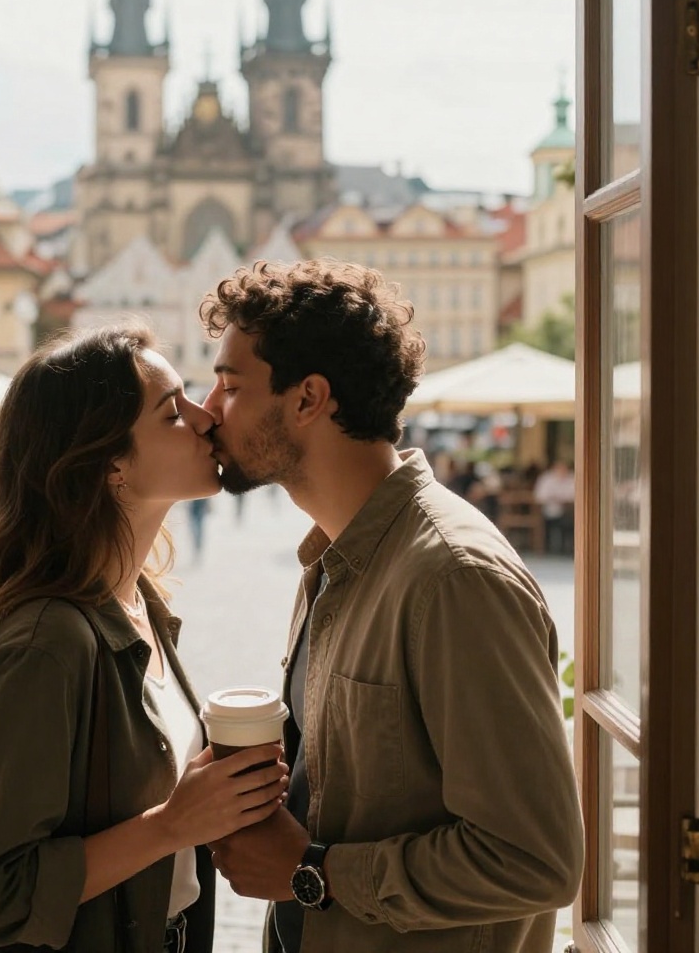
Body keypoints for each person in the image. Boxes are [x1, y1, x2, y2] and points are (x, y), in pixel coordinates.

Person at [199, 259, 584, 953]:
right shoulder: (334, 556)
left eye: (229, 385)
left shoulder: (453, 578)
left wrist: (312, 873)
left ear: (308, 398)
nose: (206, 408)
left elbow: (536, 861)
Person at [0, 325, 289, 953]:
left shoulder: (138, 602)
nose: (207, 419)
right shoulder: (47, 642)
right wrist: (174, 824)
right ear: (109, 463)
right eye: (173, 412)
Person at [533, 459, 576, 554]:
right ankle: (550, 548)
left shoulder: (572, 478)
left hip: (568, 511)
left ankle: (567, 548)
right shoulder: (546, 479)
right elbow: (540, 497)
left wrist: (559, 498)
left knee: (570, 519)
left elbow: (575, 496)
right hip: (549, 510)